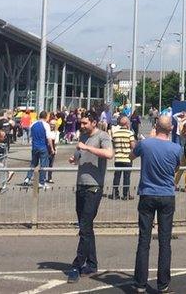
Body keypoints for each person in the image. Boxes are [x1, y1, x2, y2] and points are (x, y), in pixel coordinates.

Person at [132, 115, 183, 293]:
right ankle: (163, 284)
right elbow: (176, 168)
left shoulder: (146, 145)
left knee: (143, 240)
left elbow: (132, 155)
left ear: (155, 126)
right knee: (164, 241)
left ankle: (139, 283)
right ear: (170, 129)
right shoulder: (176, 148)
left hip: (147, 193)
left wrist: (146, 139)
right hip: (167, 195)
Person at [66, 110, 113, 283]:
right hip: (81, 185)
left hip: (94, 187)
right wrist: (74, 158)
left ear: (94, 122)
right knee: (86, 227)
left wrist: (88, 148)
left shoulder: (103, 136)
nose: (82, 125)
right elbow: (78, 157)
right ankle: (92, 264)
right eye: (81, 122)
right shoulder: (83, 137)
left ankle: (76, 265)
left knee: (84, 227)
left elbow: (109, 154)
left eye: (85, 123)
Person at [22, 112, 51, 188]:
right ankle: (41, 182)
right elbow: (48, 137)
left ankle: (27, 178)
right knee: (43, 164)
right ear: (46, 117)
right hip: (43, 146)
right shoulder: (46, 125)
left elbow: (30, 135)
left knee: (33, 163)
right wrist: (52, 147)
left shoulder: (33, 124)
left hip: (34, 146)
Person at [111, 115, 136, 199]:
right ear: (127, 123)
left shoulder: (115, 133)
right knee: (126, 177)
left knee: (117, 176)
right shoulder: (130, 133)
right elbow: (133, 146)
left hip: (118, 158)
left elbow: (114, 145)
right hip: (127, 158)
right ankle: (126, 194)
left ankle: (115, 193)